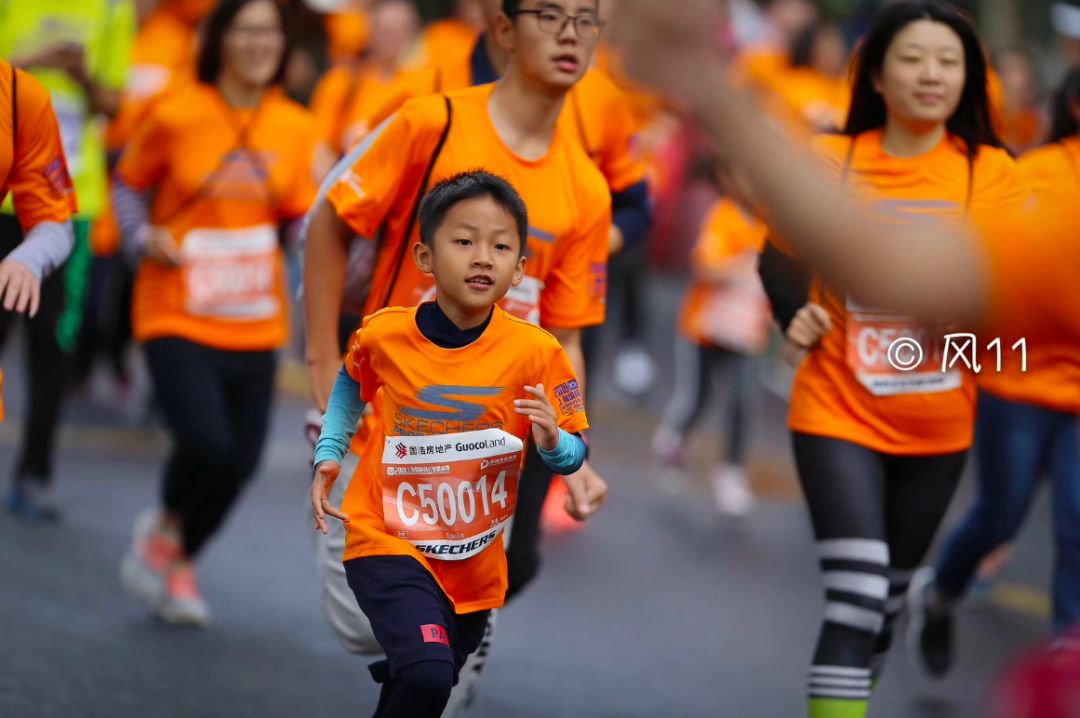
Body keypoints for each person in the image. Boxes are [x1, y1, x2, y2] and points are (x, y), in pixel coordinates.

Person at [303, 0, 612, 711]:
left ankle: (439, 648)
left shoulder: (586, 189)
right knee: (359, 623)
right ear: (502, 28)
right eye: (549, 15)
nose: (570, 33)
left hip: (492, 446)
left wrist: (579, 450)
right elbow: (328, 222)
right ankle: (431, 641)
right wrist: (323, 371)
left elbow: (568, 335)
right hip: (392, 423)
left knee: (488, 592)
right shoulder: (431, 123)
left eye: (586, 19)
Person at [758, 4, 1027, 714]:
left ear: (968, 80)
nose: (931, 74)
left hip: (940, 428)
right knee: (856, 597)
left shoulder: (992, 173)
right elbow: (777, 257)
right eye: (912, 58)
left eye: (948, 61)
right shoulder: (832, 159)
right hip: (836, 408)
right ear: (876, 75)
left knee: (884, 604)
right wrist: (794, 313)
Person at [115, 0, 328, 626]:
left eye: (271, 33)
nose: (261, 43)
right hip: (175, 308)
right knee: (206, 443)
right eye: (247, 31)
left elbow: (298, 218)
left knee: (241, 462)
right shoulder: (178, 112)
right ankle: (168, 534)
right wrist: (141, 238)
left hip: (255, 318)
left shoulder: (295, 126)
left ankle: (177, 555)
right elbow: (128, 184)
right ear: (221, 41)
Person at [907, 66, 1080, 678]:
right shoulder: (1036, 175)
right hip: (1019, 381)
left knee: (1077, 526)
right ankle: (940, 594)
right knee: (1000, 515)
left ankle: (1066, 670)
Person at [0, 0, 136, 520]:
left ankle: (34, 475)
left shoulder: (113, 8)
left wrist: (82, 75)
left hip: (66, 203)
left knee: (53, 343)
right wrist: (31, 61)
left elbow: (113, 105)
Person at [652, 161, 770, 518]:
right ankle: (674, 444)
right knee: (696, 396)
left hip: (746, 333)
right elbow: (705, 267)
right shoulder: (724, 216)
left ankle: (731, 473)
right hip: (705, 328)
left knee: (742, 401)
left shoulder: (768, 225)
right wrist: (746, 266)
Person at [0, 59, 78, 437]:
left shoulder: (19, 95)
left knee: (49, 342)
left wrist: (27, 260)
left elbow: (55, 222)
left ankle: (36, 463)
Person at [309, 0, 421, 154]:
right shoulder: (344, 80)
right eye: (386, 31)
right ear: (370, 30)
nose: (392, 39)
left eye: (400, 30)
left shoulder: (422, 84)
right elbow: (318, 144)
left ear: (412, 32)